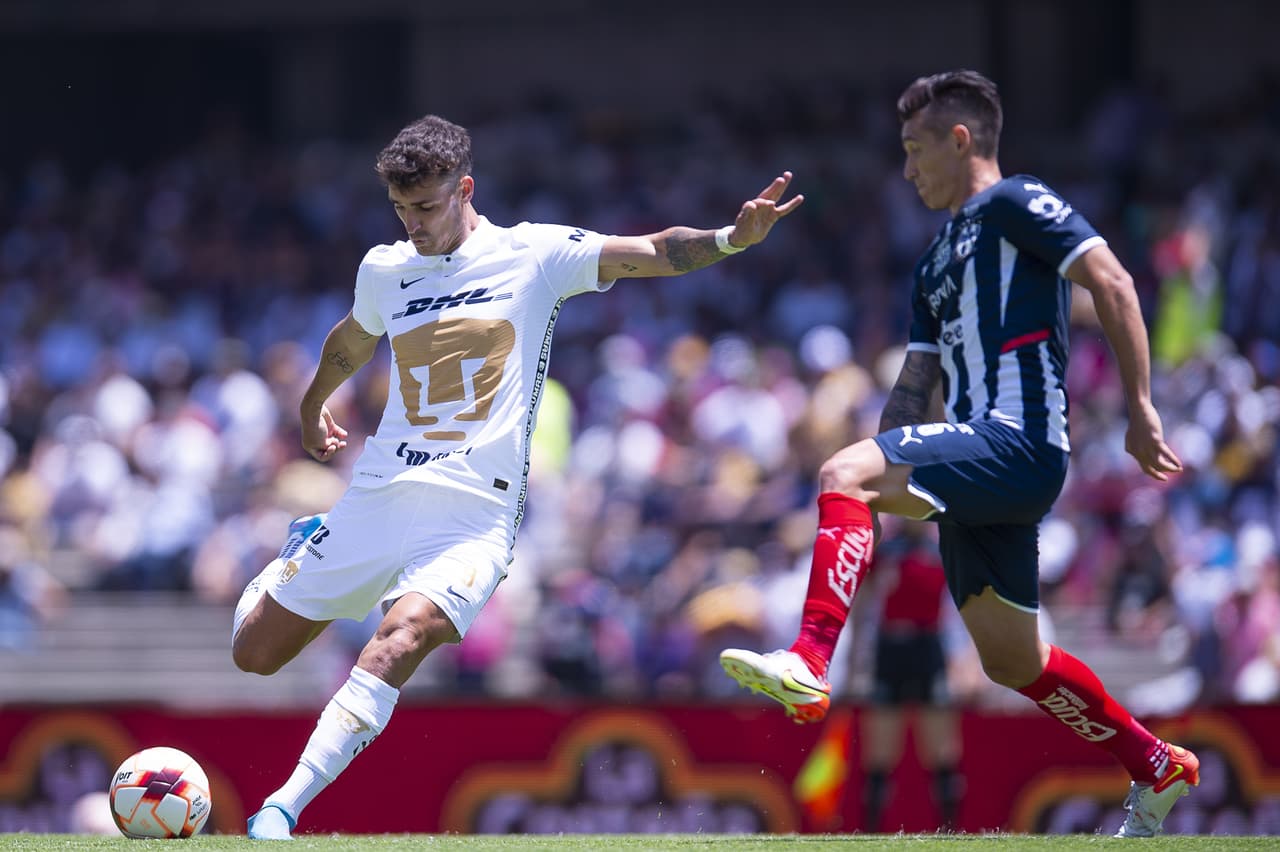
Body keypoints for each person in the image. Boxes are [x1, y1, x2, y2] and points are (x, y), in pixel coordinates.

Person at [230, 114, 802, 840]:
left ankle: (283, 806)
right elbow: (353, 337)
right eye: (402, 210)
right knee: (254, 656)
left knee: (403, 635)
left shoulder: (534, 254)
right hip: (379, 495)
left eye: (428, 207)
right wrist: (312, 406)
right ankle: (297, 551)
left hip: (474, 514)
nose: (415, 225)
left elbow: (652, 251)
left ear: (464, 189)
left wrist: (730, 239)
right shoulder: (385, 267)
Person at [719, 70, 1198, 838]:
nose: (907, 170)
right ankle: (1155, 765)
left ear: (962, 139)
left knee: (840, 471)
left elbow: (1111, 279)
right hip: (984, 464)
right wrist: (881, 484)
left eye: (916, 150)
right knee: (1014, 662)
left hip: (1021, 438)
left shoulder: (1014, 203)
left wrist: (1141, 408)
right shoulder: (935, 260)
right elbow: (914, 389)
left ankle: (811, 661)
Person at [856, 519, 962, 833]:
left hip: (929, 648)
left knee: (942, 748)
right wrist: (854, 661)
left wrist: (964, 660)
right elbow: (865, 604)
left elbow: (959, 608)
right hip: (891, 649)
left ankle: (950, 831)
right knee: (880, 750)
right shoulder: (885, 550)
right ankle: (872, 832)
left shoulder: (943, 550)